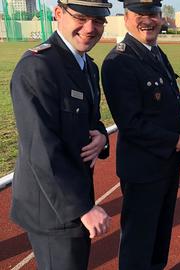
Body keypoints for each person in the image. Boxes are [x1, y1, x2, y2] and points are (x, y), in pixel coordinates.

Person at [10, 0, 112, 268]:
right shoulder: (37, 66)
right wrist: (82, 207)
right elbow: (40, 147)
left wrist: (101, 136)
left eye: (98, 20)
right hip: (52, 208)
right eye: (80, 17)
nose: (90, 28)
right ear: (58, 14)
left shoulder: (88, 66)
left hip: (73, 191)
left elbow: (91, 120)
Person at [101, 0, 180, 269]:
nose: (148, 20)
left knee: (159, 240)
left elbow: (156, 101)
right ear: (127, 17)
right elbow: (131, 123)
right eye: (140, 14)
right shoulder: (119, 61)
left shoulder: (155, 52)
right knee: (138, 245)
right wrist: (178, 141)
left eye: (153, 14)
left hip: (166, 164)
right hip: (143, 170)